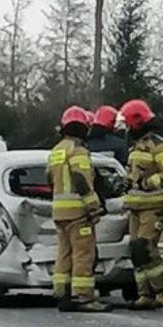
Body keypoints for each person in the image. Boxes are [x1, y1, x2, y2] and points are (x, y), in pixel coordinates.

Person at [47, 106, 112, 313]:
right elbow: (80, 178)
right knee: (84, 254)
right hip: (78, 212)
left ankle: (63, 294)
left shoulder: (56, 150)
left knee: (64, 253)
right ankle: (84, 298)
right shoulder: (79, 151)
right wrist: (93, 205)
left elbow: (49, 178)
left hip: (59, 211)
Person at [120, 99, 163, 310]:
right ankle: (145, 294)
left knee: (146, 248)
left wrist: (147, 183)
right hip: (135, 207)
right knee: (135, 250)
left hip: (153, 206)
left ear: (137, 121)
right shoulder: (136, 146)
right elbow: (132, 171)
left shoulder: (158, 145)